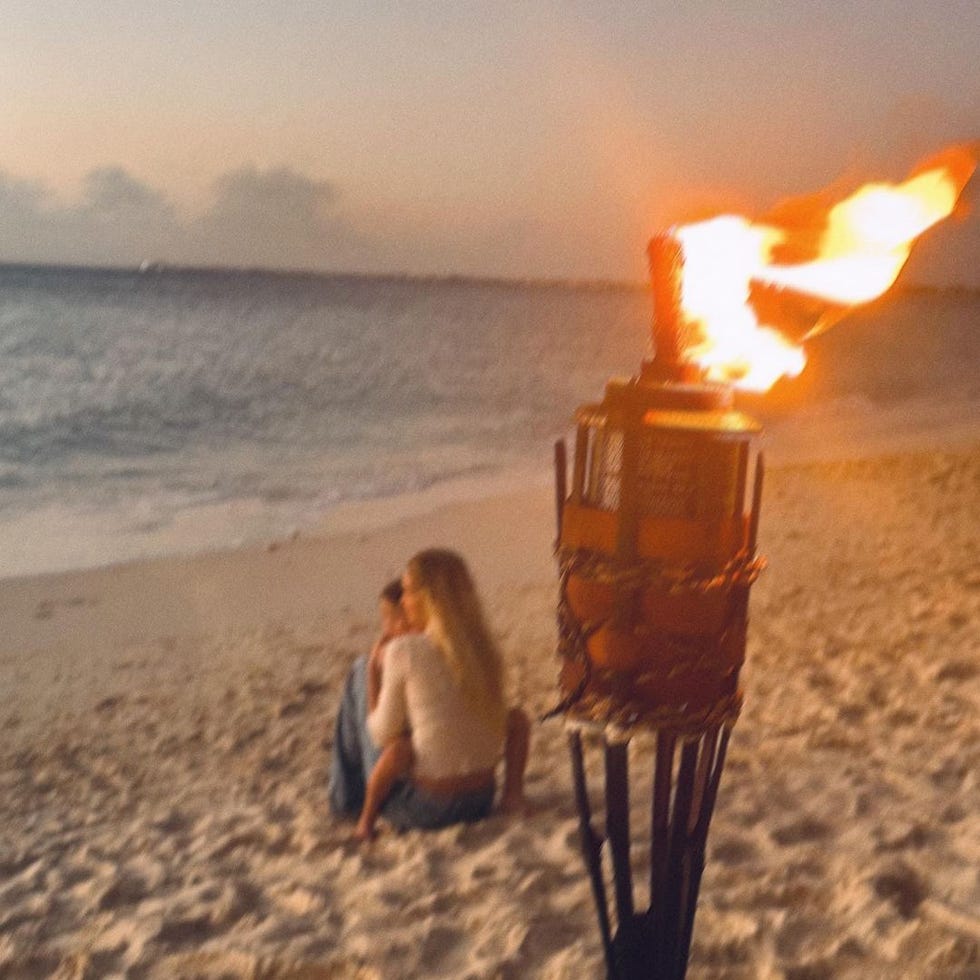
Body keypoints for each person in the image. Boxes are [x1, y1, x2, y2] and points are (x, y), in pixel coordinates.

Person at [329, 549, 530, 839]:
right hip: (481, 798)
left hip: (428, 808)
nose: (404, 601)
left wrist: (374, 671)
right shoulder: (483, 647)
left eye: (409, 591)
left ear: (429, 597)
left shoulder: (406, 650)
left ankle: (346, 802)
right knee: (512, 716)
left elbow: (380, 734)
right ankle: (512, 795)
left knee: (359, 670)